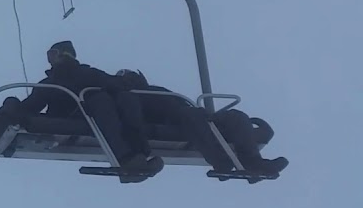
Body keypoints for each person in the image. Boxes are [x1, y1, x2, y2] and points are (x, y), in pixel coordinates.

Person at [0, 40, 163, 179]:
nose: (50, 60)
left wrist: (126, 83)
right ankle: (125, 158)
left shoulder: (87, 74)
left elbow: (115, 84)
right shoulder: (51, 82)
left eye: (53, 54)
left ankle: (141, 154)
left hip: (99, 115)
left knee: (122, 98)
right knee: (101, 100)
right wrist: (12, 106)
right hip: (71, 117)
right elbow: (32, 106)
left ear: (63, 54)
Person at [115, 69, 288, 180]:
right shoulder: (129, 98)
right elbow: (135, 119)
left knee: (235, 116)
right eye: (127, 78)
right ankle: (221, 162)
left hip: (197, 116)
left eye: (132, 76)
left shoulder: (158, 90)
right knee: (190, 115)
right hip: (172, 122)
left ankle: (253, 162)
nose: (132, 80)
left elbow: (180, 103)